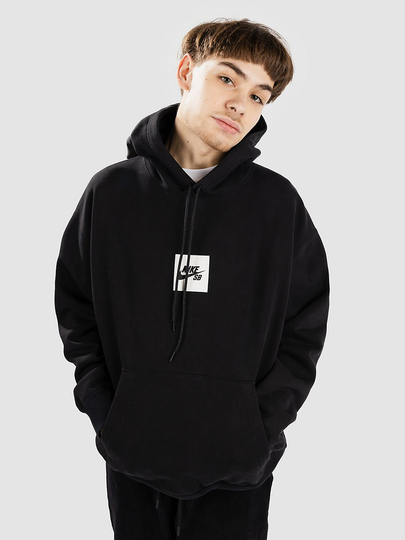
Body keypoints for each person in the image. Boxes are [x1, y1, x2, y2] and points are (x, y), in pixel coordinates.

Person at [54, 18, 330, 540]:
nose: (240, 105)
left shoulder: (277, 204)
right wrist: (109, 413)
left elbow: (305, 327)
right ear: (186, 72)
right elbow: (76, 308)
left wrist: (258, 429)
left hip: (239, 464)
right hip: (133, 452)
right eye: (227, 78)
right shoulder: (112, 193)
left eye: (258, 96)